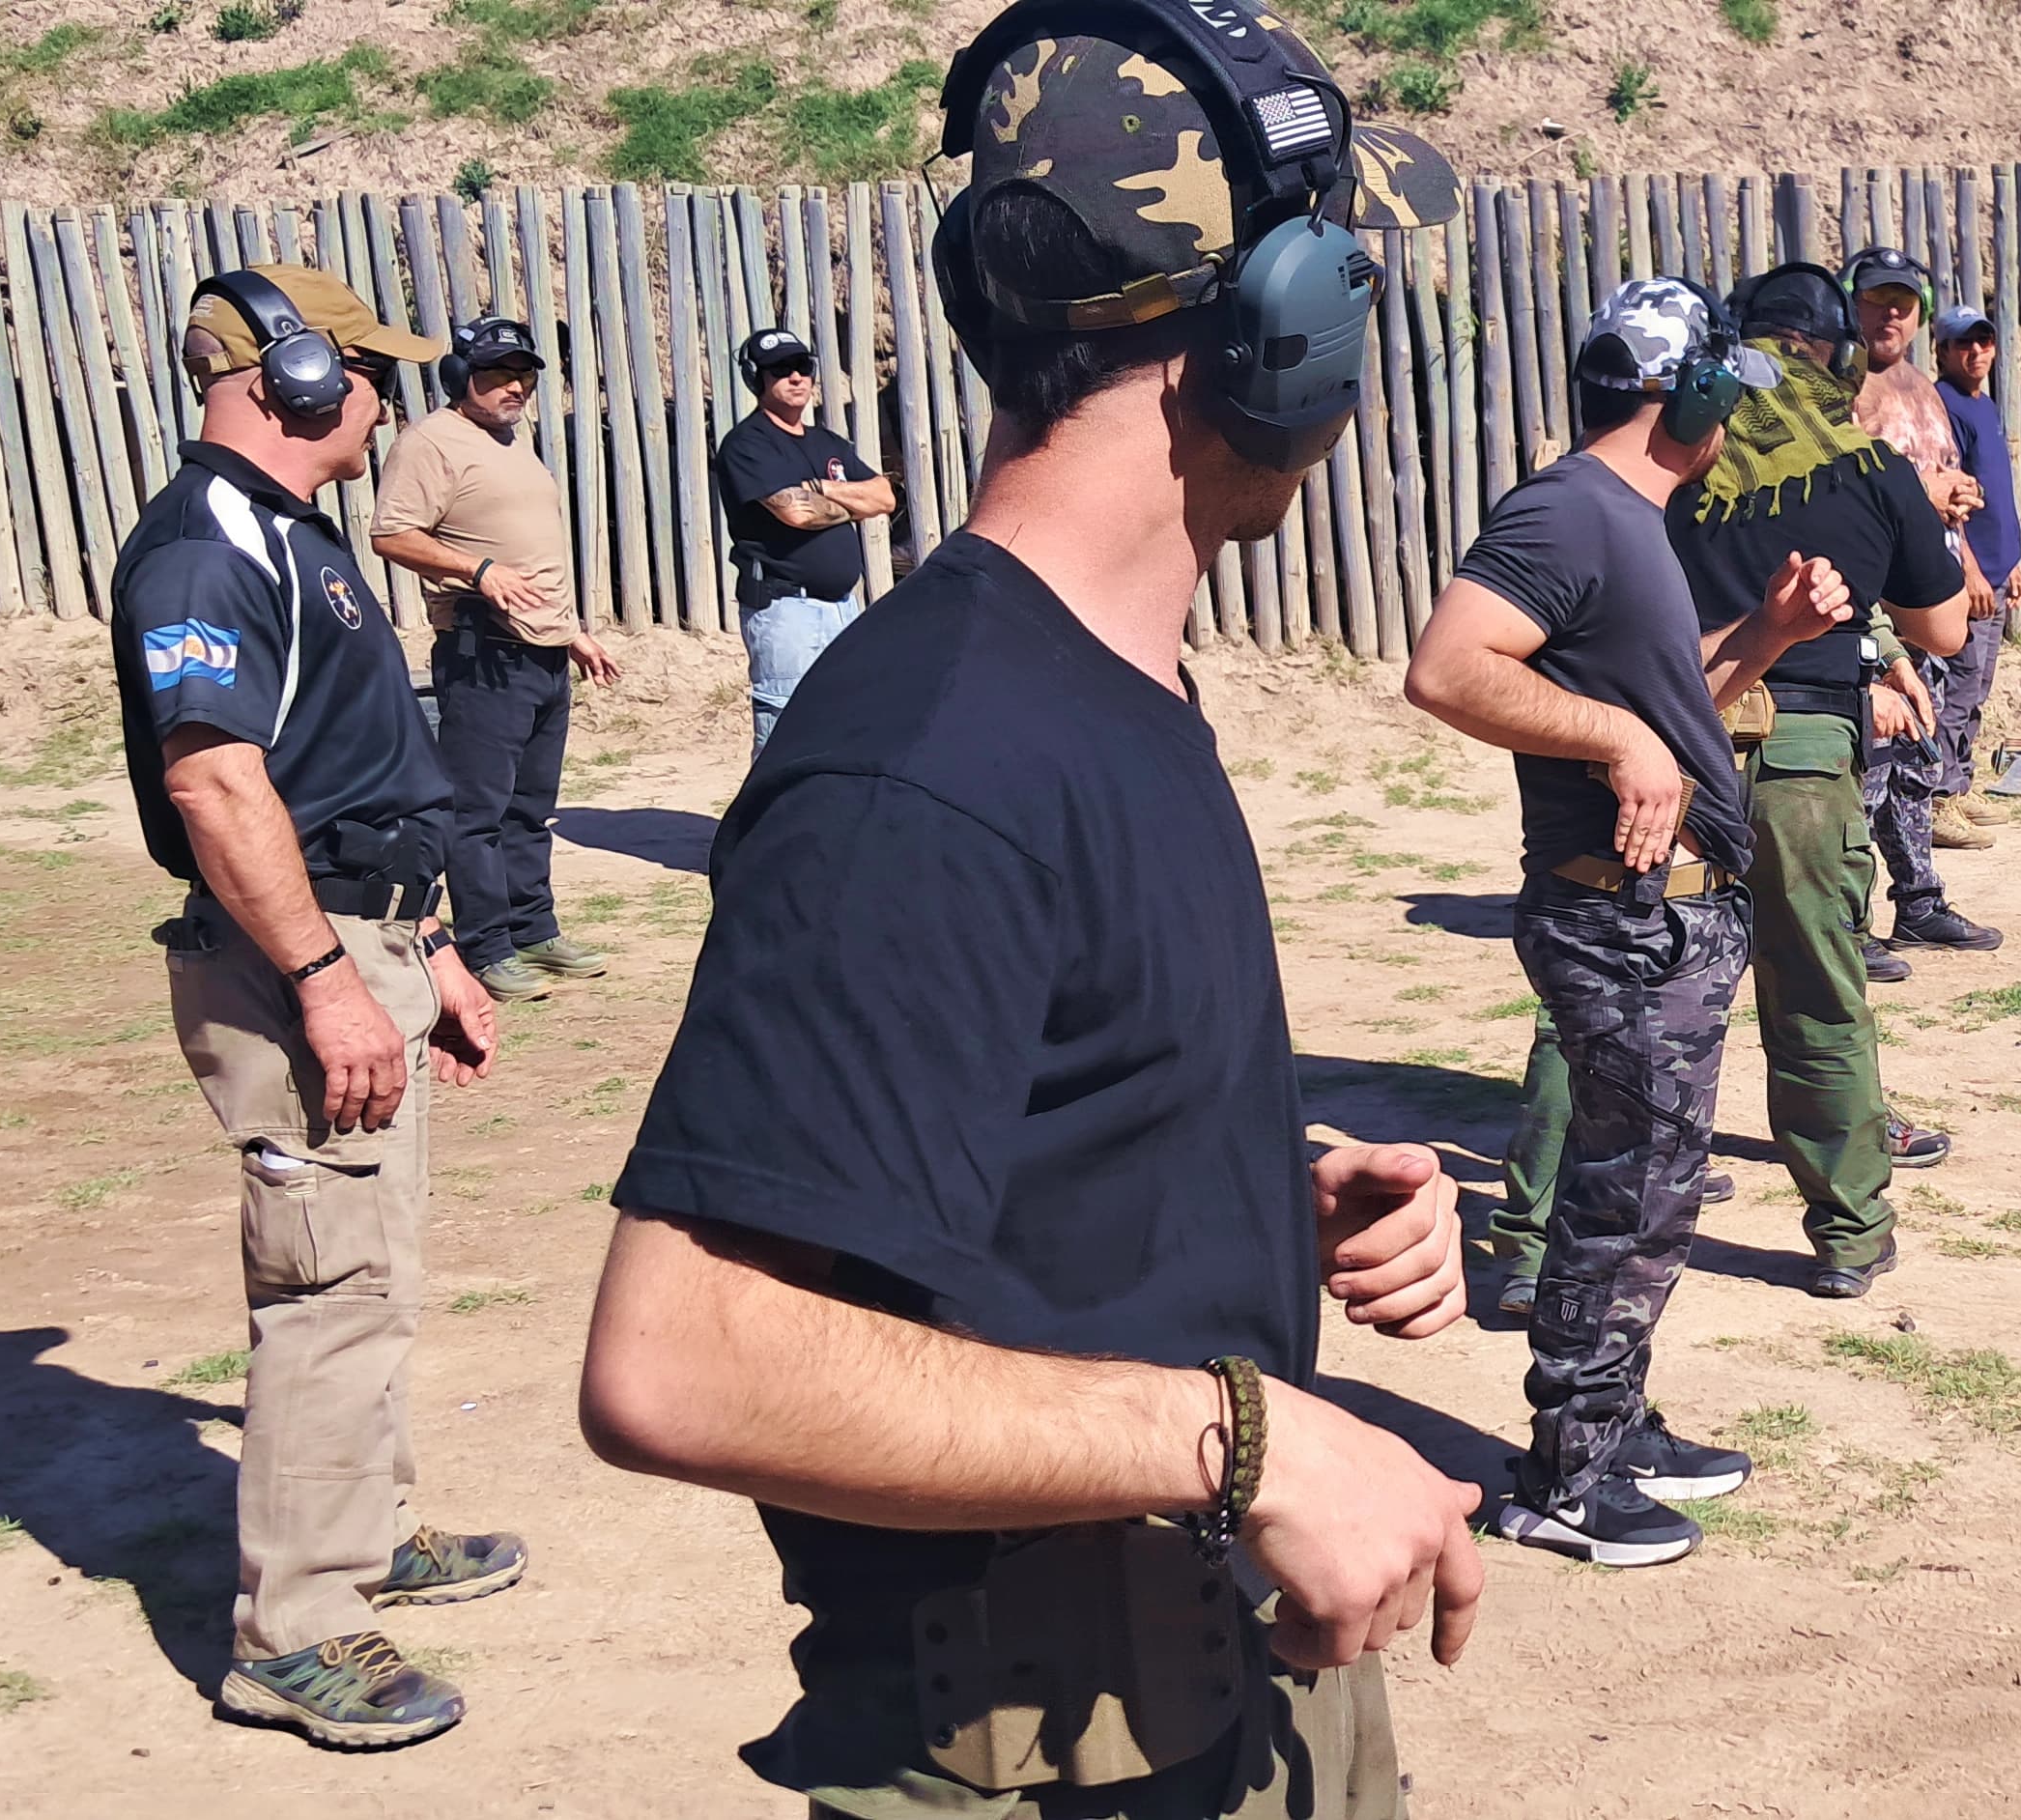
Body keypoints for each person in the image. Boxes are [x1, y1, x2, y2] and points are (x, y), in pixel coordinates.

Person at [578, 18, 1483, 1818]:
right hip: (1044, 1752)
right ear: (1275, 325)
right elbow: (682, 1362)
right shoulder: (934, 759)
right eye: (1354, 280)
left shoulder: (1102, 689)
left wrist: (1247, 1191)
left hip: (1203, 1691)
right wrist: (1248, 1440)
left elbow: (993, 1138)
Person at [112, 264, 517, 1749]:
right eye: (366, 372)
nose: (383, 404)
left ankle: (364, 1530)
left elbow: (351, 776)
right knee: (324, 1289)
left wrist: (430, 947)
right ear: (289, 376)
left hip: (363, 939)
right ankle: (294, 1632)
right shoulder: (204, 552)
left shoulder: (290, 536)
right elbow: (217, 784)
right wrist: (326, 978)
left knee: (370, 1269)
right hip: (299, 963)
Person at [1406, 279, 1853, 1566]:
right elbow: (1447, 666)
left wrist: (1765, 635)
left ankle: (1615, 1422)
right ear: (1690, 397)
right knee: (1625, 1199)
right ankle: (1567, 1478)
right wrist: (1613, 738)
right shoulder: (1570, 510)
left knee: (1647, 1200)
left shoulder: (1628, 522)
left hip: (1666, 921)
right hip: (1619, 920)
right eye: (1727, 397)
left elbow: (1672, 704)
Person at [1664, 260, 1972, 1300]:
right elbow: (1945, 626)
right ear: (1835, 354)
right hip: (1801, 756)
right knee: (1817, 1000)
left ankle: (1538, 1238)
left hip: (1674, 741)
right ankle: (1849, 1235)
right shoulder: (1865, 467)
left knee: (1624, 989)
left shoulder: (1674, 459)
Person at [369, 315, 619, 1006]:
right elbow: (392, 533)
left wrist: (570, 632)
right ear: (460, 376)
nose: (514, 387)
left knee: (530, 809)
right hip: (484, 652)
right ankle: (486, 947)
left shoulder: (512, 442)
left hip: (543, 652)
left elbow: (529, 550)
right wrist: (477, 572)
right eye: (497, 374)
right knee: (477, 812)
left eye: (524, 375)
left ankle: (533, 930)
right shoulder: (430, 442)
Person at [1836, 247, 2004, 957]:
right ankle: (1842, 923)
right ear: (1851, 303)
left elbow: (1941, 481)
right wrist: (1919, 495)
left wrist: (1965, 553)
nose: (1891, 315)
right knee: (1863, 767)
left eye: (1903, 303)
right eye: (1877, 300)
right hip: (1865, 601)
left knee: (1916, 758)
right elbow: (1835, 485)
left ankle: (1919, 900)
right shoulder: (1837, 384)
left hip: (1925, 593)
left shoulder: (1920, 388)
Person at [717, 327, 896, 754]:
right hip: (786, 610)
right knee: (785, 734)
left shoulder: (827, 442)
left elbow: (885, 496)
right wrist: (855, 503)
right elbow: (796, 513)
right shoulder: (747, 444)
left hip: (843, 607)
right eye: (780, 369)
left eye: (802, 366)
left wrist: (824, 488)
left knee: (846, 724)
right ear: (756, 378)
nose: (796, 377)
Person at [1930, 302, 2021, 843]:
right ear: (1941, 351)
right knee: (1960, 685)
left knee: (1977, 685)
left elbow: (1996, 491)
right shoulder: (1944, 407)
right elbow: (1951, 500)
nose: (1976, 352)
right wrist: (1970, 570)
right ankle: (1940, 799)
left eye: (1984, 341)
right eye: (1964, 343)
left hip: (1997, 570)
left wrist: (2013, 563)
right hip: (1972, 576)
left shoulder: (1983, 404)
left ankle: (1961, 784)